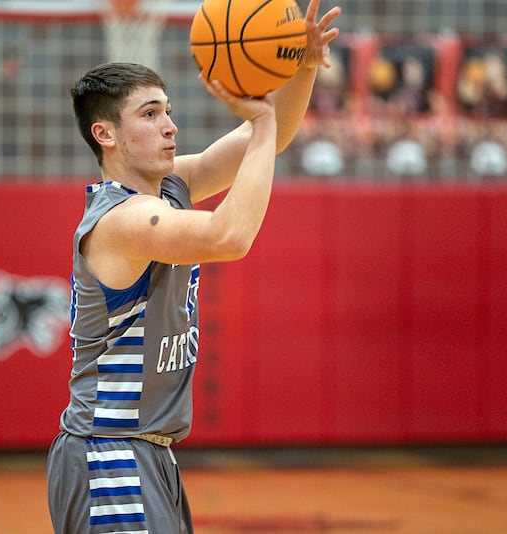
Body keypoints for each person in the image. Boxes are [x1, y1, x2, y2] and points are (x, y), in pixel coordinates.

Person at [46, 1, 341, 532]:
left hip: (149, 453)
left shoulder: (169, 187)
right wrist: (264, 116)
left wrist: (302, 68)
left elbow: (267, 144)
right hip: (109, 453)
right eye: (150, 114)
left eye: (168, 111)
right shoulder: (122, 220)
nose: (170, 126)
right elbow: (230, 235)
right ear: (105, 135)